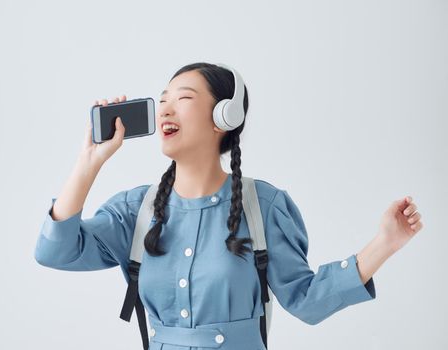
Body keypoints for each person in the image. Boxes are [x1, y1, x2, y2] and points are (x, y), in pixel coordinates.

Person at [34, 62, 424, 350]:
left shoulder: (264, 206)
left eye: (183, 99)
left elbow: (306, 301)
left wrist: (385, 243)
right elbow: (56, 252)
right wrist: (88, 165)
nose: (165, 109)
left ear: (225, 116)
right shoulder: (135, 209)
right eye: (163, 100)